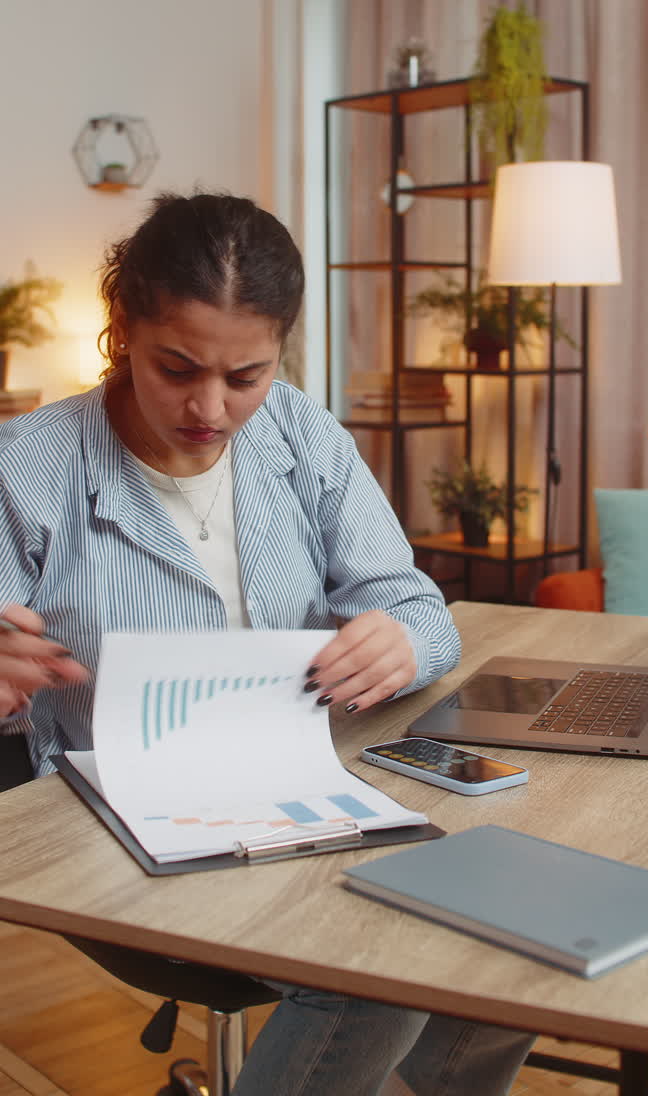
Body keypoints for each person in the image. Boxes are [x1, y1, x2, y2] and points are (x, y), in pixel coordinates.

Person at [0, 192, 534, 1095]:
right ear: (123, 328)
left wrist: (404, 638)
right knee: (372, 976)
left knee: (506, 921)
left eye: (245, 376)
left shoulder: (302, 433)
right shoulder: (29, 466)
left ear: (281, 352)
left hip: (312, 790)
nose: (210, 407)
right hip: (114, 819)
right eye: (177, 368)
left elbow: (417, 606)